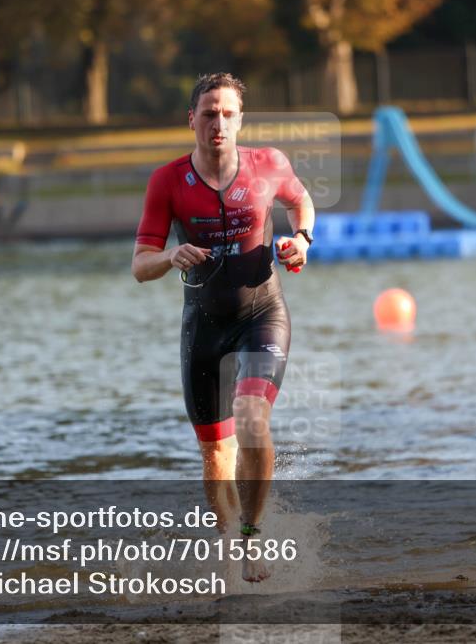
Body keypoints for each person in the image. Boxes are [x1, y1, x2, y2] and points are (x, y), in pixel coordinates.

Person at [132, 72, 316, 582]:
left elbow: (301, 202)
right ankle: (230, 542)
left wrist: (301, 239)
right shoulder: (166, 181)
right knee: (215, 453)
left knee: (252, 414)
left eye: (228, 113)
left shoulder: (268, 164)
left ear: (240, 120)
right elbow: (139, 266)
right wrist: (170, 255)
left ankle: (253, 536)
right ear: (191, 120)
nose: (218, 122)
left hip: (262, 315)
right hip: (204, 327)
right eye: (209, 113)